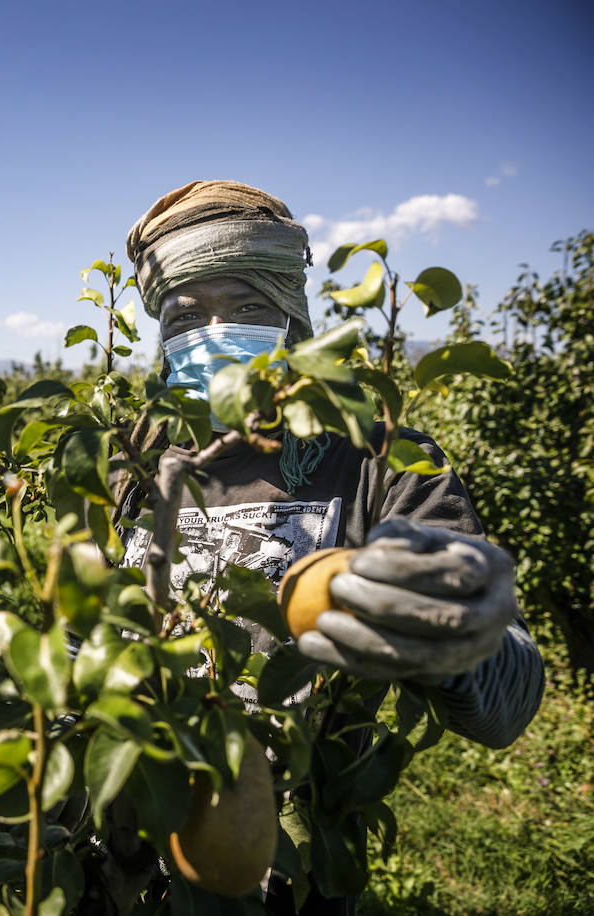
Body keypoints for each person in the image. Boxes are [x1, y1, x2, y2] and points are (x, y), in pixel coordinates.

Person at [110, 180, 544, 913]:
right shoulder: (134, 457)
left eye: (249, 307)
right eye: (186, 315)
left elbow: (508, 698)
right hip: (123, 861)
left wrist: (462, 638)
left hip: (288, 875)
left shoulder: (379, 456)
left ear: (293, 313)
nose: (216, 332)